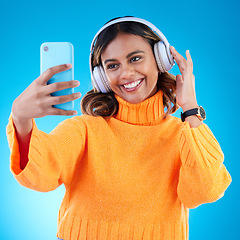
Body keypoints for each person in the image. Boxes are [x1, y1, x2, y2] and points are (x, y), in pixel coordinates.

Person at [6, 17, 231, 240]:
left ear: (160, 60)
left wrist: (190, 109)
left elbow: (205, 191)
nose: (125, 74)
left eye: (135, 58)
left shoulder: (183, 134)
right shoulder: (84, 129)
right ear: (101, 76)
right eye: (112, 65)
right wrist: (21, 118)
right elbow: (39, 176)